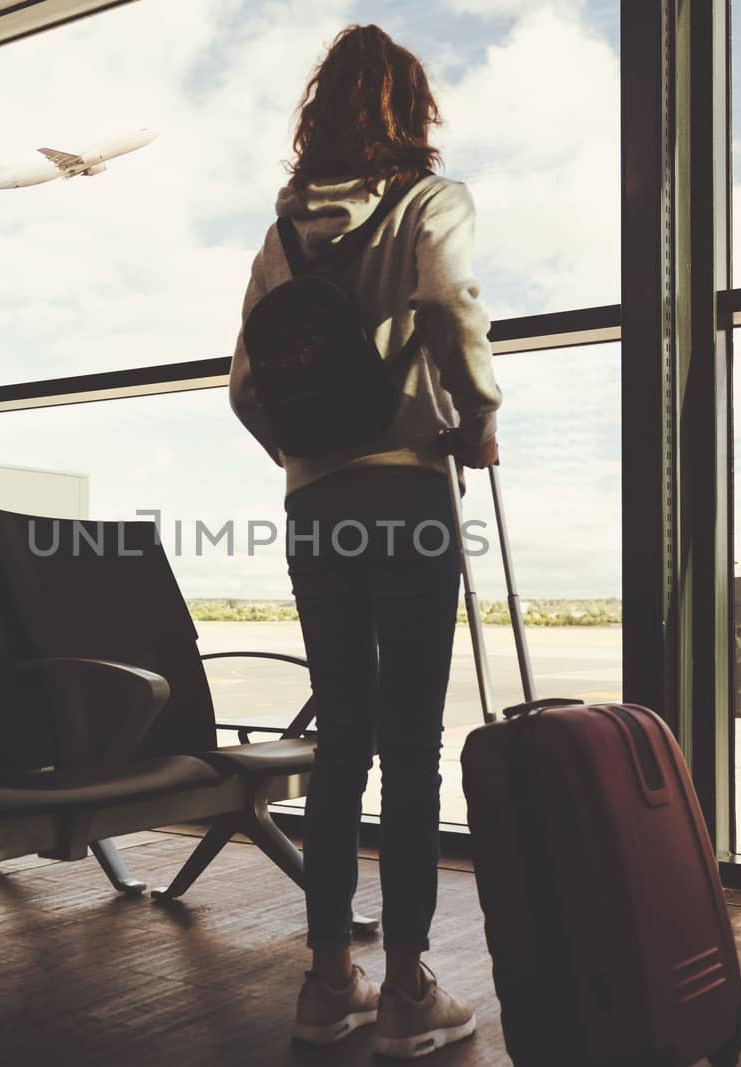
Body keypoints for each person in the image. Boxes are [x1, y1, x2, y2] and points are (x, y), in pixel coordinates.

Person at [228, 22, 502, 1061]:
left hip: (317, 504)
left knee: (340, 734)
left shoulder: (281, 238)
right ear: (410, 110)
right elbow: (449, 307)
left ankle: (323, 980)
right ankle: (406, 989)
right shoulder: (432, 201)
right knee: (412, 743)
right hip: (405, 492)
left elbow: (246, 388)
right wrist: (476, 416)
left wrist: (304, 455)